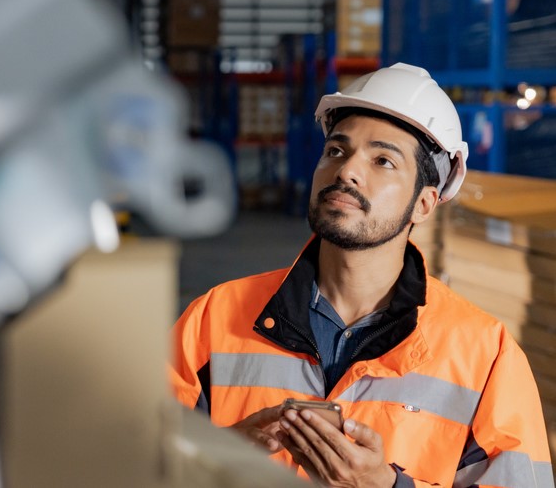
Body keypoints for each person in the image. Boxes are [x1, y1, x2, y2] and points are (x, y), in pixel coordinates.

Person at [170, 63, 553, 487]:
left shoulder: (485, 355)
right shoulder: (212, 319)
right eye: (336, 150)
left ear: (424, 204)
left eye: (383, 160)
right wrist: (211, 459)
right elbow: (126, 462)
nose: (347, 171)